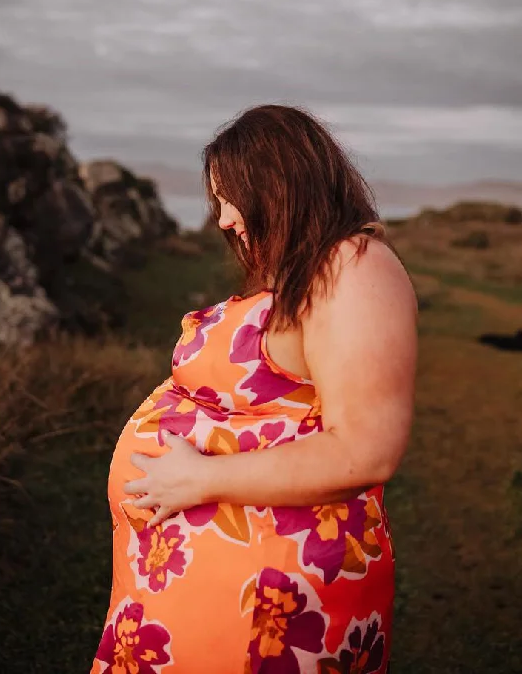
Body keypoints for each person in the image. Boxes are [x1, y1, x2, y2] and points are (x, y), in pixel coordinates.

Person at [90, 104, 418, 674]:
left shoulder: (354, 265)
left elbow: (367, 448)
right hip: (209, 591)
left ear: (278, 184)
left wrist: (202, 477)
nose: (222, 218)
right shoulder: (311, 272)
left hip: (269, 606)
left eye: (229, 195)